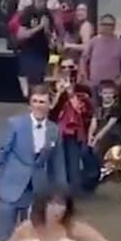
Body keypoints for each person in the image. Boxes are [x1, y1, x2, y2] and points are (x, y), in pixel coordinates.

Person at [0, 85, 67, 241]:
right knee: (3, 239)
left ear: (49, 104)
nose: (38, 105)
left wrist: (62, 194)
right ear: (30, 103)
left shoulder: (54, 130)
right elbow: (0, 155)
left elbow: (58, 164)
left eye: (42, 102)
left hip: (37, 191)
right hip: (11, 189)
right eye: (35, 101)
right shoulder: (15, 125)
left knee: (31, 240)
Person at [50, 58, 94, 194]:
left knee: (73, 162)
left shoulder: (83, 90)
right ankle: (55, 190)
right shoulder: (51, 87)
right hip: (53, 130)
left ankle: (72, 193)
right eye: (64, 67)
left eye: (71, 67)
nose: (68, 71)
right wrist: (58, 93)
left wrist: (70, 92)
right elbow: (49, 110)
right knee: (54, 162)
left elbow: (82, 110)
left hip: (72, 132)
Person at [80, 13, 121, 93]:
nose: (107, 27)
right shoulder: (93, 41)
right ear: (100, 25)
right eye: (104, 24)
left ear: (114, 26)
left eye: (110, 24)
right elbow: (83, 59)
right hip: (95, 85)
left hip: (113, 85)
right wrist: (85, 79)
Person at [15, 0, 53, 92]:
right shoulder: (28, 13)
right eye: (40, 1)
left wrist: (47, 30)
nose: (42, 4)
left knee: (41, 80)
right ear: (34, 0)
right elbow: (21, 35)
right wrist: (39, 27)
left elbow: (50, 36)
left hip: (42, 52)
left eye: (45, 1)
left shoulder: (48, 13)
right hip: (29, 51)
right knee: (31, 81)